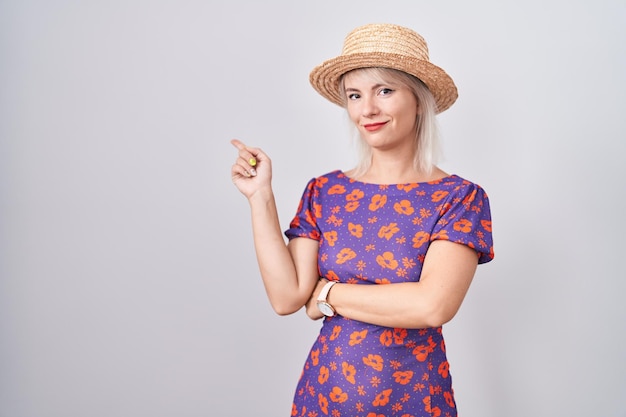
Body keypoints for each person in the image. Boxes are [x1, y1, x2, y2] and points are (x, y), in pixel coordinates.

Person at [230, 23, 494, 417]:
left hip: (416, 402)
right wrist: (260, 198)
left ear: (418, 100)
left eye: (384, 91)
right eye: (355, 95)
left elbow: (432, 306)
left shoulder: (458, 198)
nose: (367, 109)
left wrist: (326, 294)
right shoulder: (325, 191)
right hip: (323, 397)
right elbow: (287, 297)